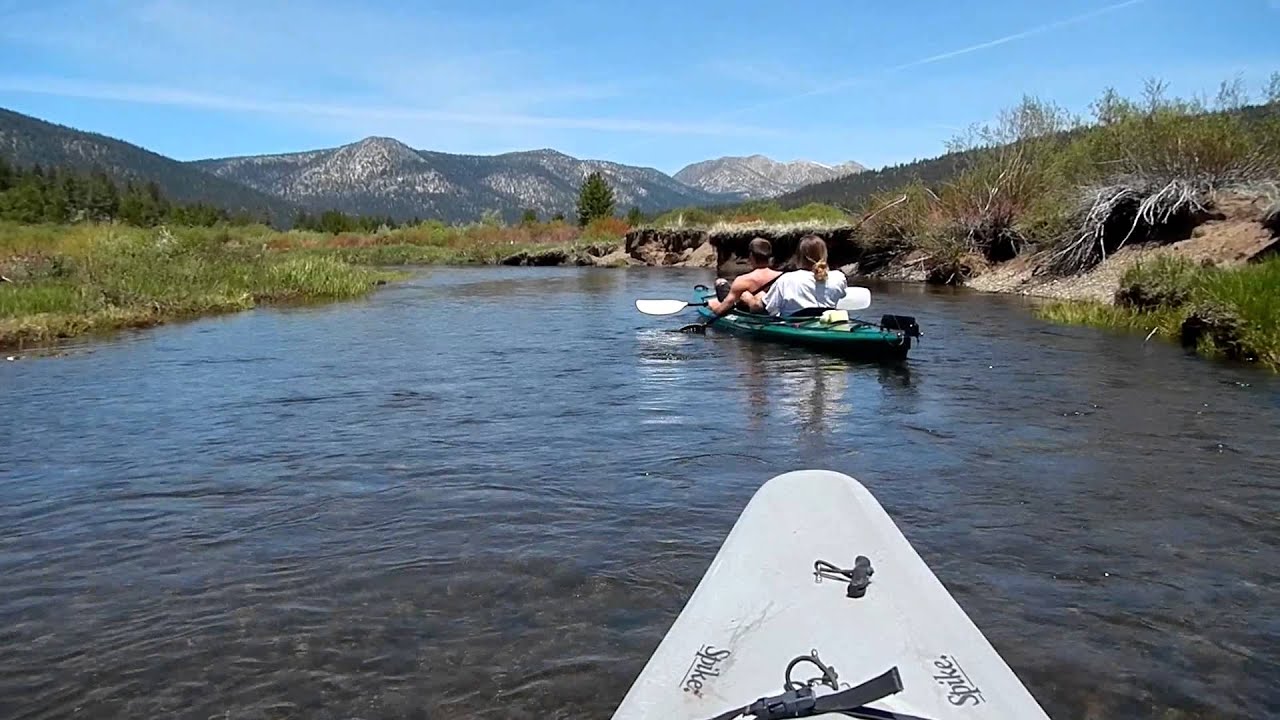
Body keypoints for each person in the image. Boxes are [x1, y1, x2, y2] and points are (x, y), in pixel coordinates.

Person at [744, 234, 847, 317]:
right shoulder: (839, 277)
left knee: (760, 297)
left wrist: (749, 299)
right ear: (825, 254)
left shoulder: (787, 279)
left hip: (794, 325)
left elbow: (759, 308)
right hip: (827, 322)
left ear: (799, 256)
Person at [706, 237, 782, 317]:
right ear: (770, 257)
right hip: (770, 311)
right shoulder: (782, 277)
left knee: (720, 282)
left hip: (746, 311)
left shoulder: (742, 280)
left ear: (751, 256)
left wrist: (713, 307)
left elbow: (721, 310)